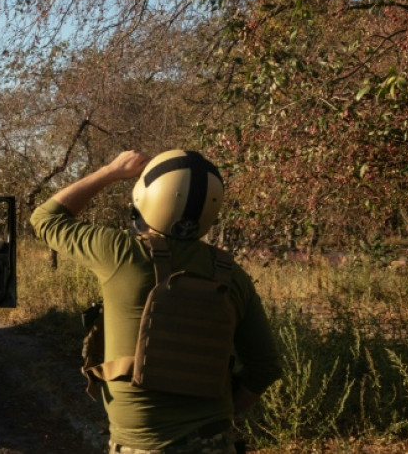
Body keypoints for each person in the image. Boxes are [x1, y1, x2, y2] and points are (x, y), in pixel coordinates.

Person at [30, 149, 282, 454]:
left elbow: (45, 218)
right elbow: (264, 366)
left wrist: (110, 170)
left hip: (141, 445)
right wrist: (222, 417)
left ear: (146, 198)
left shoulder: (120, 253)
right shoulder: (231, 274)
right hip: (217, 441)